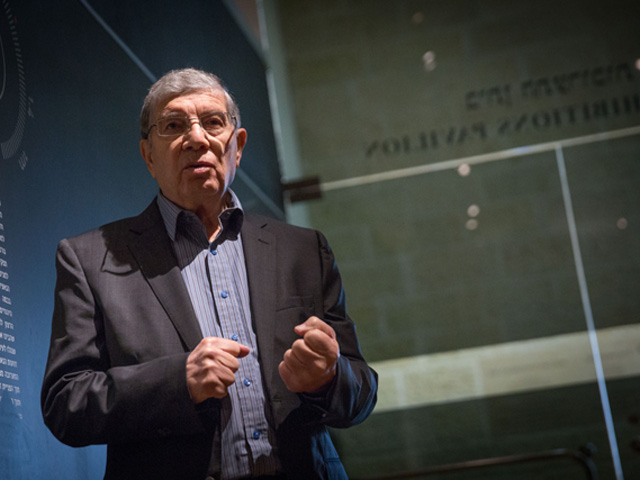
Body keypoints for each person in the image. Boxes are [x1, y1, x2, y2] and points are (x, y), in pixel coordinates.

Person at [40, 68, 377, 480]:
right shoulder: (90, 259)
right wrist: (177, 382)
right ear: (149, 156)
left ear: (238, 146)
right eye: (173, 126)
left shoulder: (303, 249)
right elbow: (66, 403)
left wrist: (329, 377)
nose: (197, 138)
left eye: (213, 122)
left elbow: (362, 394)